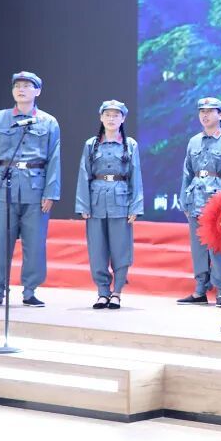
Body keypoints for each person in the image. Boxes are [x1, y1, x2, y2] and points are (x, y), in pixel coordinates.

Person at [0, 71, 61, 309]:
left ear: (38, 91)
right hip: (5, 185)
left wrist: (51, 192)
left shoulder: (48, 121)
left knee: (34, 243)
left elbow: (55, 158)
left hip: (35, 187)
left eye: (27, 86)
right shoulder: (0, 118)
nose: (21, 90)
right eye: (17, 86)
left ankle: (30, 291)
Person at [75, 100, 143, 310]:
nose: (111, 119)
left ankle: (117, 292)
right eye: (108, 115)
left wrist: (135, 207)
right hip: (96, 201)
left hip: (120, 201)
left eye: (116, 115)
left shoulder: (130, 144)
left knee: (121, 249)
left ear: (123, 118)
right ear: (101, 117)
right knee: (97, 250)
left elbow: (136, 175)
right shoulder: (91, 144)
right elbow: (84, 174)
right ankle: (102, 292)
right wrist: (83, 205)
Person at [178, 97, 221, 308]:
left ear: (220, 114)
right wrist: (184, 200)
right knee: (198, 248)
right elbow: (187, 172)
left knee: (218, 247)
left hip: (218, 201)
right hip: (195, 198)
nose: (205, 115)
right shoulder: (194, 141)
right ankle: (200, 290)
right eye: (202, 111)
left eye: (210, 111)